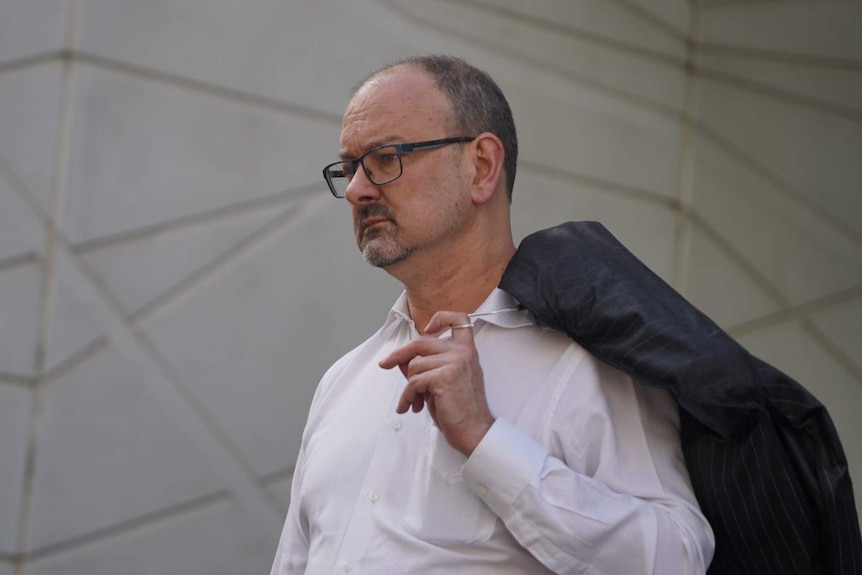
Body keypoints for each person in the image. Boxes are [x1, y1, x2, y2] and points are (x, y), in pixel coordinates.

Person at [270, 55, 714, 574]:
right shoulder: (343, 381)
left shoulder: (587, 366)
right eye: (349, 167)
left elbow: (677, 560)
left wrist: (485, 440)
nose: (356, 189)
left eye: (385, 158)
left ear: (481, 166)